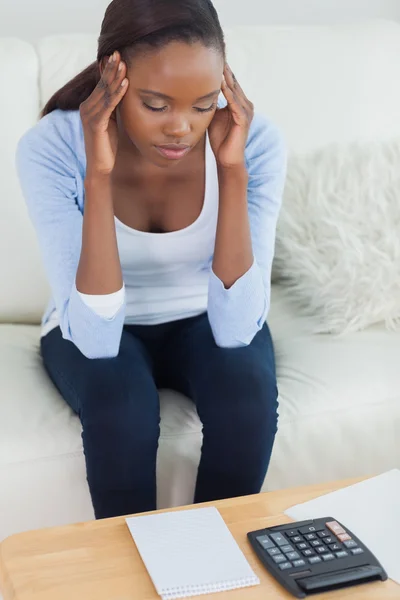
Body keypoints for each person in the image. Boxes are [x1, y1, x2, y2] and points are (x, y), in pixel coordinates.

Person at [16, 0, 287, 520]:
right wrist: (98, 174)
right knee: (122, 410)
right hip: (95, 324)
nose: (182, 128)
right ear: (111, 78)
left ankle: (214, 574)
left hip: (205, 315)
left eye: (203, 104)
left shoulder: (256, 143)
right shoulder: (52, 148)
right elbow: (95, 342)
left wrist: (232, 172)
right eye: (157, 105)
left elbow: (234, 331)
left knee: (247, 404)